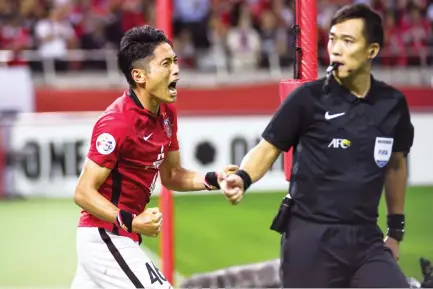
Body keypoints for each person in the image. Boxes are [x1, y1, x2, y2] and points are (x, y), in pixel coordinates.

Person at [220, 3, 414, 288]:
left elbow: (397, 165)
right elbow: (267, 148)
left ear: (372, 50)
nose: (336, 48)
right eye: (333, 38)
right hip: (309, 239)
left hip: (366, 240)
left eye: (348, 41)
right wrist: (243, 177)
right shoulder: (308, 99)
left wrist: (395, 231)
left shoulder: (392, 105)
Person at [71, 25, 237, 289]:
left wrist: (215, 179)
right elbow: (83, 192)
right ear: (139, 75)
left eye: (175, 61)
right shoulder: (117, 123)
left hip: (119, 237)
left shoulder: (167, 114)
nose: (176, 70)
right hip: (105, 237)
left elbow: (172, 175)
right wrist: (132, 221)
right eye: (166, 64)